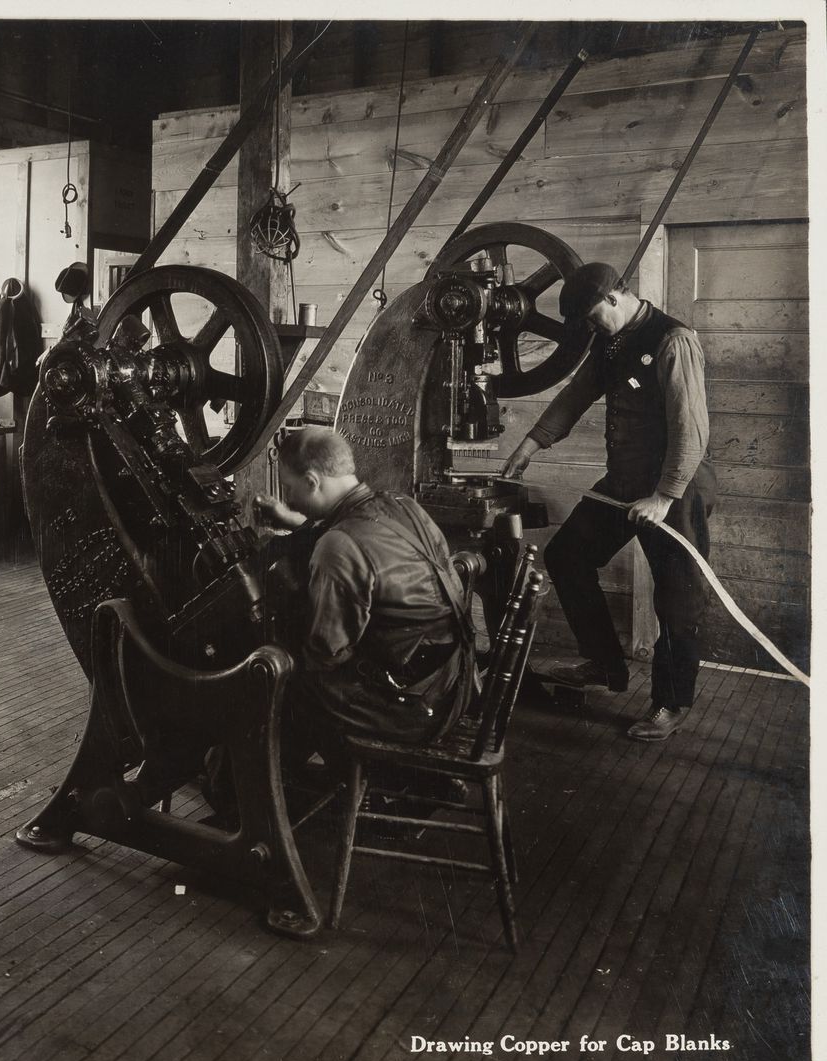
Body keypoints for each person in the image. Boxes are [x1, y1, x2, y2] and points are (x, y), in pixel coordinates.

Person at [501, 262, 716, 742]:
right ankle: (604, 664)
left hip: (676, 489)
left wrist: (664, 496)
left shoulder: (673, 340)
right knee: (567, 555)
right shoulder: (610, 341)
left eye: (596, 317)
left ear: (617, 296)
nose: (593, 328)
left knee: (678, 600)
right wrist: (528, 447)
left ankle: (670, 703)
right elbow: (575, 397)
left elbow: (691, 430)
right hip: (624, 482)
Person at [253, 427, 477, 759]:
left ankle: (269, 795)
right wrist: (294, 521)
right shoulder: (400, 504)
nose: (288, 499)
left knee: (270, 688)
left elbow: (326, 653)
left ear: (313, 481)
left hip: (406, 712)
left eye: (289, 488)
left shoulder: (338, 546)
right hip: (454, 685)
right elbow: (362, 542)